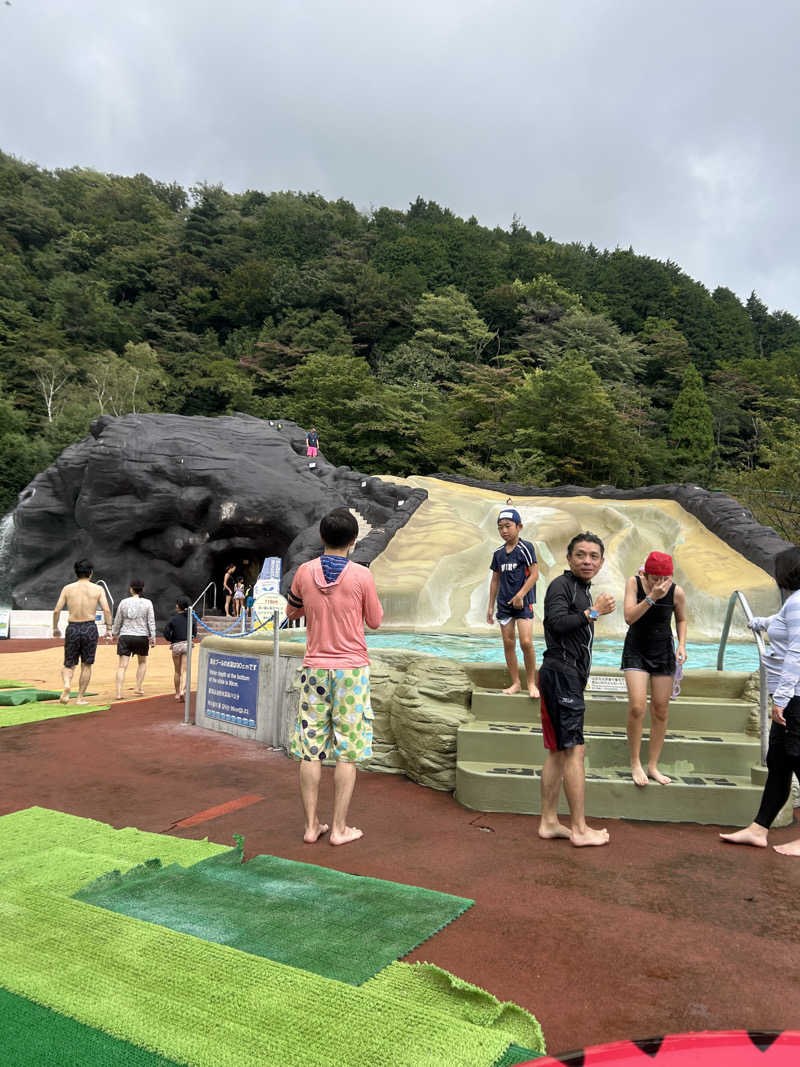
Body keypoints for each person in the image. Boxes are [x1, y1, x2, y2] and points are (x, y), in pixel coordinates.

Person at [285, 506, 383, 846]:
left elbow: (291, 610)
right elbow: (375, 620)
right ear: (354, 541)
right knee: (348, 751)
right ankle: (339, 828)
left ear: (322, 538)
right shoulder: (362, 576)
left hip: (315, 669)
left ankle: (312, 826)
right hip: (351, 671)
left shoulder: (303, 572)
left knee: (310, 750)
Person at [720, 545, 800, 855]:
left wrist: (780, 699)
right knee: (779, 763)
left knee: (796, 759)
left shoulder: (797, 603)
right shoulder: (793, 604)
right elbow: (782, 624)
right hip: (791, 697)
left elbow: (796, 654)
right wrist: (762, 623)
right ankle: (758, 829)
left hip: (794, 698)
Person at [538, 532, 616, 847]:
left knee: (558, 752)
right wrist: (593, 612)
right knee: (574, 751)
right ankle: (580, 830)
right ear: (569, 558)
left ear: (601, 561)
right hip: (561, 675)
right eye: (581, 555)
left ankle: (549, 822)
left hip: (564, 677)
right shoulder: (562, 585)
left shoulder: (581, 589)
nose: (587, 560)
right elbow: (555, 623)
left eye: (593, 556)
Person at [621, 551, 688, 786]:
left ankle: (652, 765)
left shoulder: (676, 591)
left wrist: (681, 644)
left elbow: (681, 618)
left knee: (660, 709)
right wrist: (651, 597)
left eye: (664, 580)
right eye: (654, 579)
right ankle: (635, 762)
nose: (660, 584)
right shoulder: (634, 583)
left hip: (662, 650)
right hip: (636, 649)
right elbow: (629, 617)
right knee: (638, 706)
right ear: (645, 574)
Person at [486, 507, 540, 698]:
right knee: (508, 643)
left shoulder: (526, 548)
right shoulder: (498, 553)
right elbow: (495, 580)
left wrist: (520, 595)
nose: (504, 531)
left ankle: (532, 683)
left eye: (508, 526)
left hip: (523, 603)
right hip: (504, 605)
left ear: (519, 527)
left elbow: (535, 575)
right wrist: (491, 606)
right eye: (500, 528)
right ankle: (516, 683)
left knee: (526, 642)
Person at [52, 559, 112, 705]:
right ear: (91, 572)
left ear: (76, 572)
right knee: (87, 664)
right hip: (89, 628)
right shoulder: (98, 589)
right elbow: (106, 609)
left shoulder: (67, 588)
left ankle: (67, 684)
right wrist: (109, 629)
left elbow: (56, 610)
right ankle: (79, 698)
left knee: (69, 664)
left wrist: (55, 628)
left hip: (73, 627)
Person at [111, 579, 156, 700]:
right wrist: (153, 637)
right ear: (142, 589)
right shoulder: (148, 603)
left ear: (131, 589)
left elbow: (118, 619)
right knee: (142, 662)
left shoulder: (123, 602)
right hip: (141, 637)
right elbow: (151, 621)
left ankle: (119, 693)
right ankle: (138, 687)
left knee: (122, 666)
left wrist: (114, 633)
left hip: (125, 636)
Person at [163, 595, 198, 701]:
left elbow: (166, 631)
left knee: (177, 671)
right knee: (185, 670)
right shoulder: (191, 618)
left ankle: (177, 693)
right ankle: (183, 690)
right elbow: (194, 632)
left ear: (178, 606)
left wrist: (171, 639)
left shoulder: (173, 619)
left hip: (176, 645)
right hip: (187, 644)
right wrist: (191, 637)